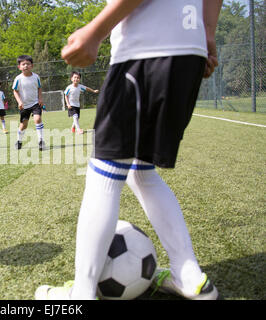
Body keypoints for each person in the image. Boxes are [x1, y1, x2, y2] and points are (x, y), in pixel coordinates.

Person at [35, 0, 222, 300]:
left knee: (103, 174)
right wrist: (207, 34)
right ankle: (190, 277)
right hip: (189, 49)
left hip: (145, 49)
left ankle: (82, 294)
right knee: (140, 170)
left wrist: (96, 30)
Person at [12, 55, 45, 151]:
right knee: (23, 125)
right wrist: (19, 102)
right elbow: (15, 91)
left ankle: (41, 141)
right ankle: (19, 141)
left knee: (37, 119)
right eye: (23, 64)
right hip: (24, 106)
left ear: (32, 66)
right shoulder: (18, 79)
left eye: (28, 64)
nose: (26, 66)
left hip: (35, 103)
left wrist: (40, 98)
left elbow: (39, 88)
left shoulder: (36, 77)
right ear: (19, 67)